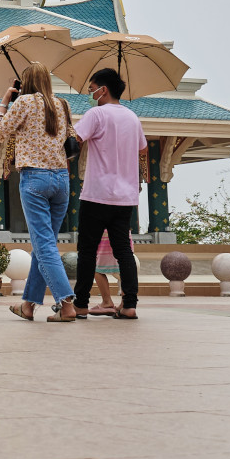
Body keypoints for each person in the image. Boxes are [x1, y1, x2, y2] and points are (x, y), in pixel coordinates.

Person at [0, 62, 79, 322]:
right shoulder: (62, 104)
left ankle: (67, 304)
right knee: (43, 246)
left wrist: (4, 102)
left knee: (44, 245)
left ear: (25, 84)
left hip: (35, 179)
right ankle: (28, 305)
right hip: (61, 179)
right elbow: (72, 137)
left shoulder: (24, 102)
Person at [72, 67, 147, 320]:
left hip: (96, 194)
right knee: (123, 250)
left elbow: (74, 140)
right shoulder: (132, 117)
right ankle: (129, 304)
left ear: (103, 89)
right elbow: (143, 148)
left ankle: (81, 303)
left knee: (87, 252)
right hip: (125, 197)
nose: (90, 93)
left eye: (92, 88)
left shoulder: (96, 114)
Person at [88, 231, 124, 316]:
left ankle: (107, 301)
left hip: (106, 235)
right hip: (123, 233)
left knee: (96, 267)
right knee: (125, 266)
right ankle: (126, 304)